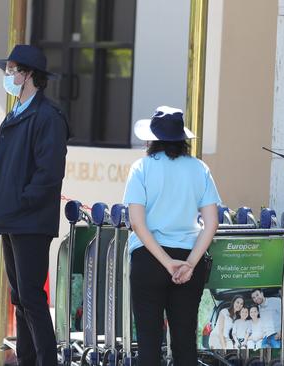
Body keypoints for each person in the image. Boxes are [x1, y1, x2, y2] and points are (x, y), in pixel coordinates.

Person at [0, 44, 69, 366]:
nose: (8, 75)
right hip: (12, 217)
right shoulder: (18, 112)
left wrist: (21, 201)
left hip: (29, 219)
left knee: (32, 298)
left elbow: (49, 172)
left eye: (13, 69)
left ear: (28, 75)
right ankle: (28, 360)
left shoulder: (47, 116)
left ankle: (46, 361)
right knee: (21, 298)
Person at [123, 106, 221, 365]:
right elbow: (212, 223)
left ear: (151, 139)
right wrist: (189, 264)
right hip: (189, 259)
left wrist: (167, 263)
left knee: (148, 340)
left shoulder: (141, 168)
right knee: (185, 341)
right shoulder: (200, 168)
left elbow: (137, 222)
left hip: (149, 258)